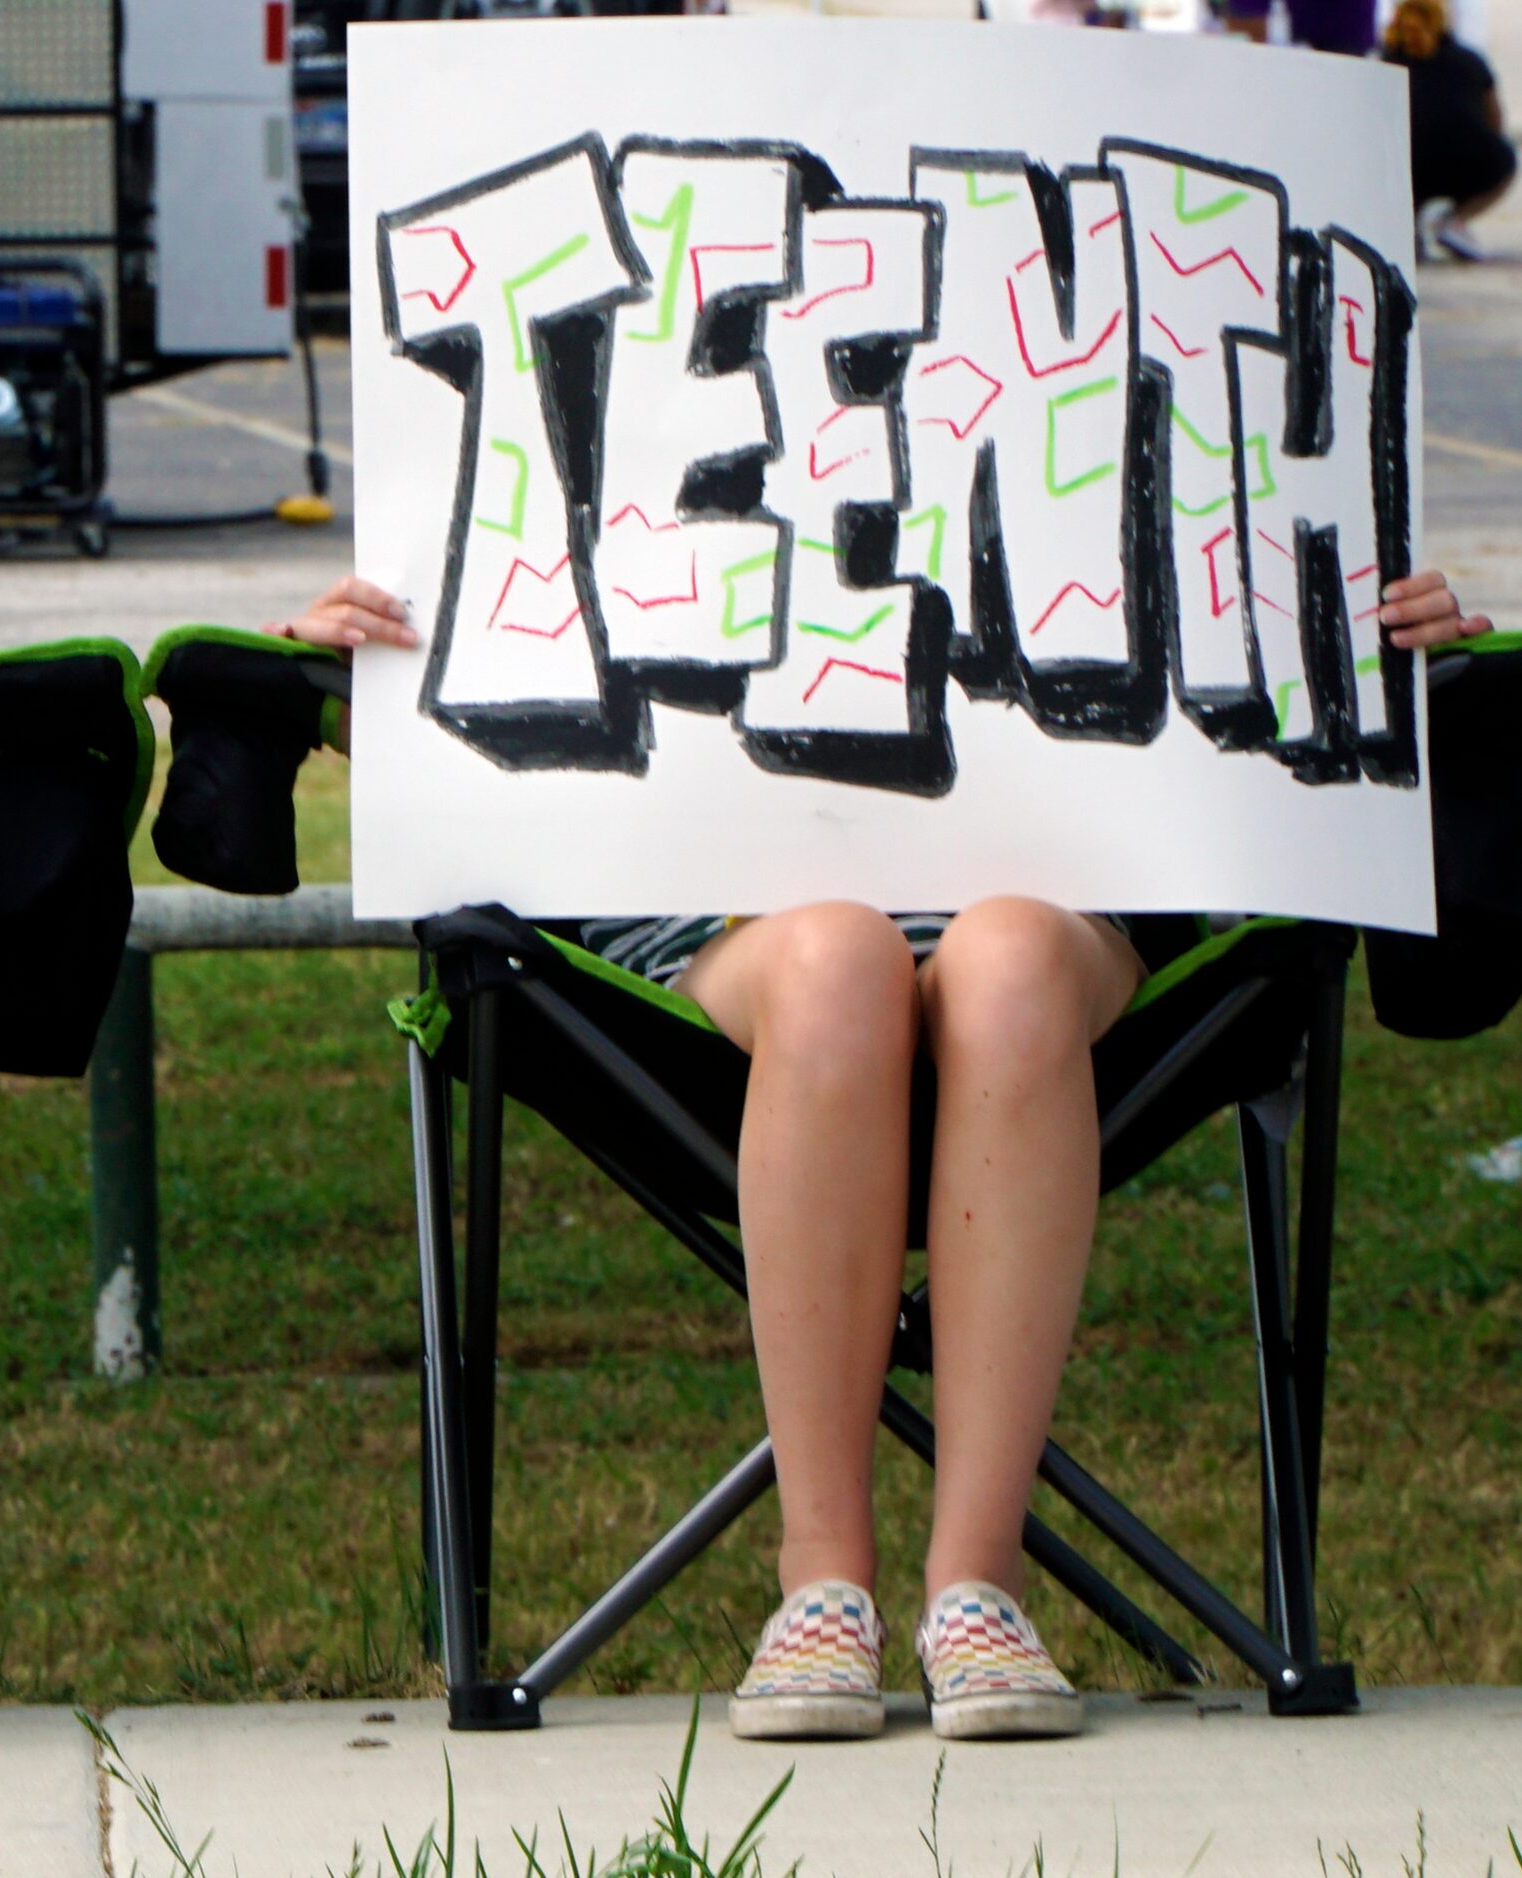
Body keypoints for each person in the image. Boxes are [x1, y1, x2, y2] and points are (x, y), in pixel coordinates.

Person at [259, 565, 1486, 1741]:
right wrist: (382, 688)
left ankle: (977, 1586)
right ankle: (823, 1582)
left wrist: (1364, 648)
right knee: (836, 959)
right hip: (715, 936)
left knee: (1004, 963)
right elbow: (515, 709)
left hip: (1065, 919)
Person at [1387, 0, 1515, 263]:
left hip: (1413, 167)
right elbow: (1496, 119)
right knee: (1506, 157)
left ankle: (1406, 229)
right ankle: (1454, 222)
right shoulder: (1469, 60)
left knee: (1397, 161)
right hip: (1470, 162)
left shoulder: (1389, 62)